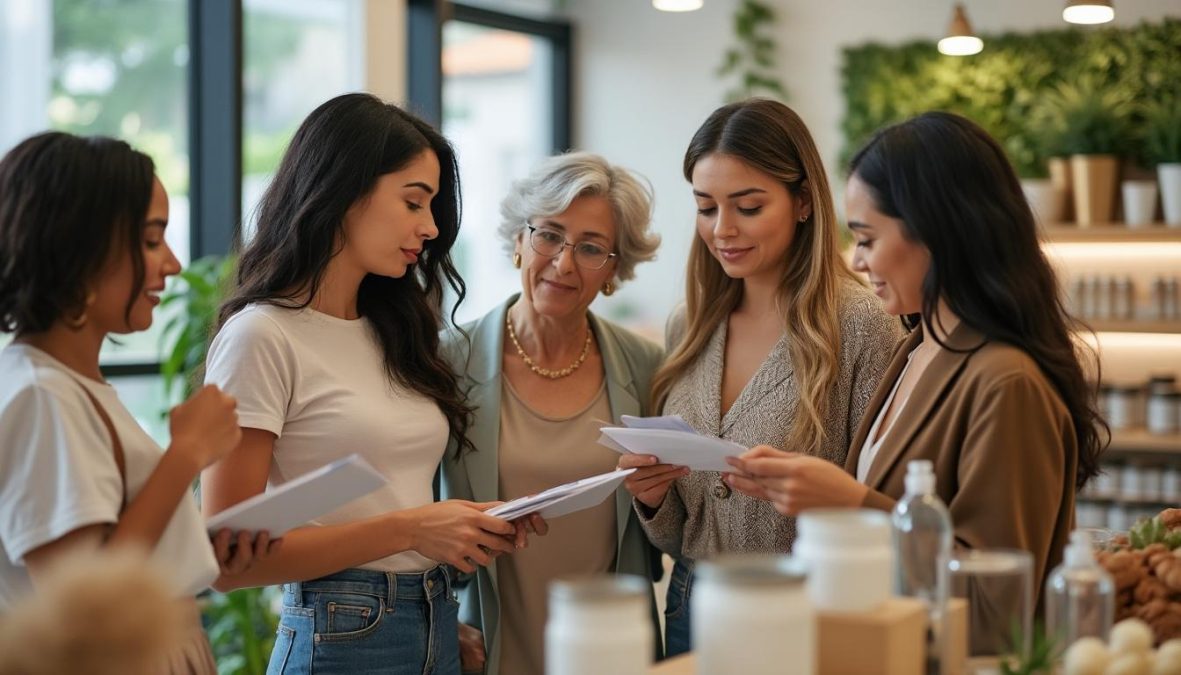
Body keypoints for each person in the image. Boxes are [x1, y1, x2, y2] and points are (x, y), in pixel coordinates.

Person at [200, 93, 526, 675]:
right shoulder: (263, 336)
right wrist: (413, 529)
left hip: (430, 618)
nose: (429, 227)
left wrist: (456, 536)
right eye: (413, 202)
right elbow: (227, 559)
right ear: (344, 189)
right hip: (340, 634)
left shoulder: (393, 329)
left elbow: (395, 495)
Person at [726, 111, 1106, 610]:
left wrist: (850, 502)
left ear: (936, 232)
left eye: (866, 239)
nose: (856, 261)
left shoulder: (1006, 381)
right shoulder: (918, 347)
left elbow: (997, 594)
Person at [618, 99, 901, 655]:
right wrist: (653, 499)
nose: (722, 230)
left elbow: (886, 507)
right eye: (706, 207)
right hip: (690, 604)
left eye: (747, 206)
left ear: (801, 202)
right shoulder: (691, 326)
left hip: (805, 612)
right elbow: (682, 534)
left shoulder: (861, 324)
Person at [0, 131, 277, 673]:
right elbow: (79, 605)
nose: (172, 264)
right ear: (79, 249)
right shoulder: (42, 396)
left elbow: (114, 546)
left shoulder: (66, 386)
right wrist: (187, 454)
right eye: (152, 241)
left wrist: (192, 543)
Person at [440, 152, 663, 675]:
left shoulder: (647, 367)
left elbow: (668, 526)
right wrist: (439, 623)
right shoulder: (447, 361)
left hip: (611, 653)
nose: (563, 263)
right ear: (519, 241)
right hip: (489, 650)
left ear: (613, 271)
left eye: (590, 248)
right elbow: (404, 509)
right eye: (549, 235)